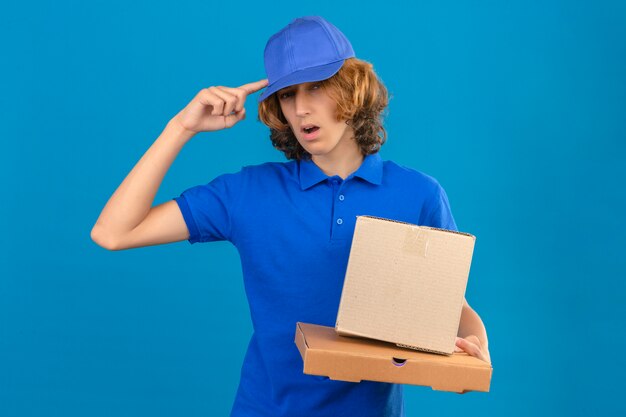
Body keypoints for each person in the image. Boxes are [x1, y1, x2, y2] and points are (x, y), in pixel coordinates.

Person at [91, 15, 490, 417]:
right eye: (286, 95)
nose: (300, 109)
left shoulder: (418, 194)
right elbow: (113, 232)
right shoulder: (248, 193)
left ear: (352, 88)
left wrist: (474, 346)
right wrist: (181, 127)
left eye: (317, 87)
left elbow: (449, 306)